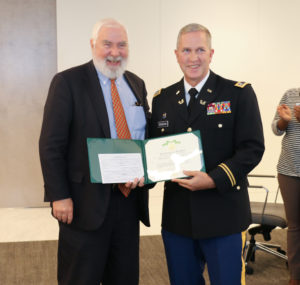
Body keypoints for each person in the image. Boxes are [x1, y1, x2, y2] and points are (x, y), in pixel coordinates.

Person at [39, 18, 152, 285]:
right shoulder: (68, 82)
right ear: (93, 45)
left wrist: (150, 170)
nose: (115, 52)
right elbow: (51, 144)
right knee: (80, 278)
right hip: (82, 203)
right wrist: (59, 196)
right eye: (107, 44)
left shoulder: (136, 84)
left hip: (128, 201)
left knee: (124, 277)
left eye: (122, 45)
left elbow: (144, 137)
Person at [150, 23, 265, 285]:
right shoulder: (162, 100)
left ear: (211, 53)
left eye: (200, 49)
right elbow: (153, 151)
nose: (193, 58)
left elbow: (252, 148)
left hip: (223, 216)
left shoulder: (237, 93)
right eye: (186, 50)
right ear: (176, 54)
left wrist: (214, 179)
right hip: (178, 220)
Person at [272, 89, 300, 285]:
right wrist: (284, 120)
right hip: (289, 171)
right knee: (295, 226)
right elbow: (276, 129)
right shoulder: (291, 95)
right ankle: (295, 276)